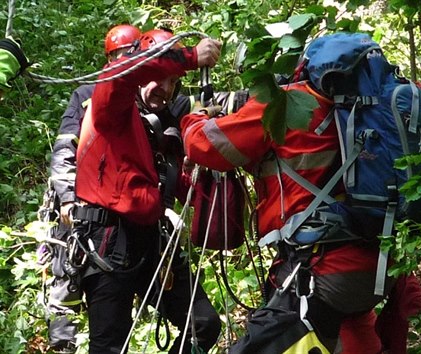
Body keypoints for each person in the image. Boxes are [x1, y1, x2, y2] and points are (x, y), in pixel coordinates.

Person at [180, 51, 399, 353]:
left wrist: (196, 115)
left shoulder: (281, 103)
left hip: (320, 270)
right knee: (353, 333)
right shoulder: (361, 110)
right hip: (378, 267)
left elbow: (204, 144)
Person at [72, 28, 223, 353]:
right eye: (160, 77)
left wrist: (189, 176)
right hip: (108, 239)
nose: (165, 89)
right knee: (110, 347)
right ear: (143, 72)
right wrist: (191, 57)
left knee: (204, 325)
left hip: (152, 239)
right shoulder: (109, 108)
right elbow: (121, 72)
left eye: (172, 82)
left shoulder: (162, 122)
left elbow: (170, 188)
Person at [43, 24, 142, 353]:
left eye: (132, 54)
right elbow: (64, 152)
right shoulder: (87, 96)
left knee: (111, 327)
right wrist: (69, 199)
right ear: (110, 57)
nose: (126, 60)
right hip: (80, 216)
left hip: (120, 225)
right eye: (121, 55)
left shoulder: (140, 99)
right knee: (63, 296)